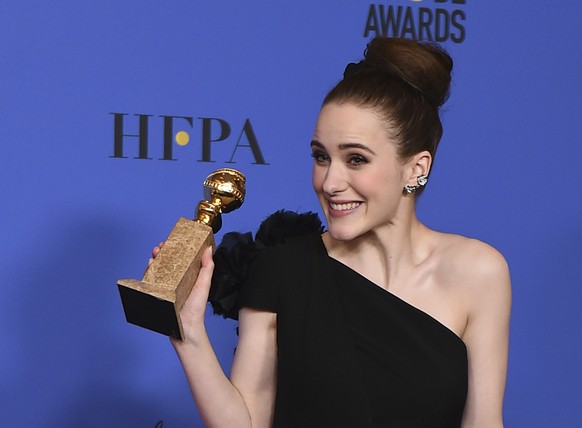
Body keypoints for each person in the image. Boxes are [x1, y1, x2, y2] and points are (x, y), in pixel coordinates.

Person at [151, 37, 511, 427]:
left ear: (416, 168)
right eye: (321, 157)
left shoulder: (479, 273)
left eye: (356, 159)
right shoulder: (283, 268)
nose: (330, 181)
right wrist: (189, 334)